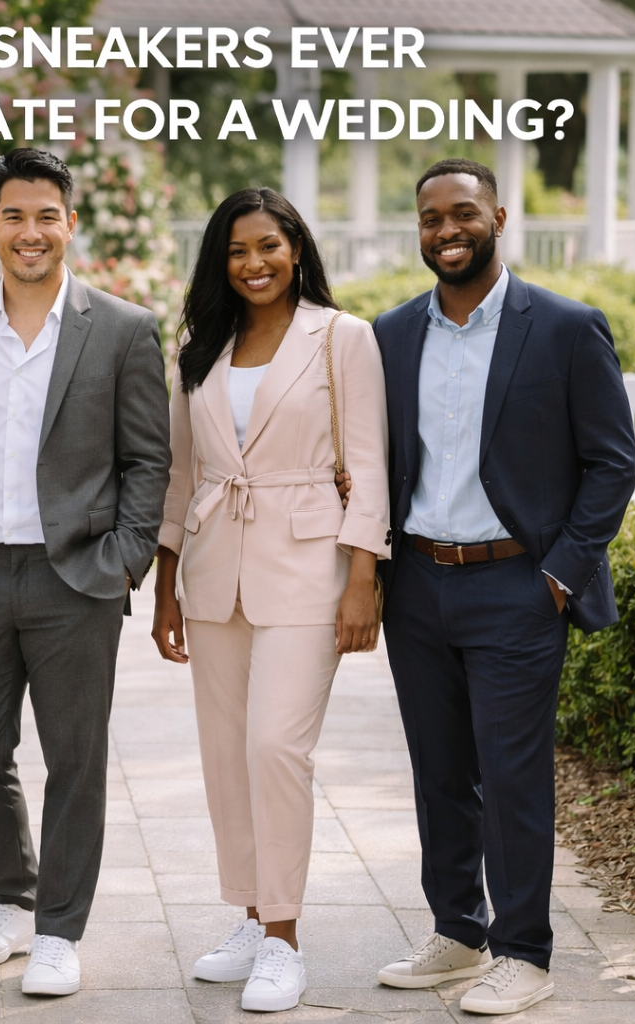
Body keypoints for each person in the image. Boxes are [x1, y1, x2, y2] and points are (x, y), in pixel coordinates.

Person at [341, 158, 635, 1015]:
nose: (447, 231)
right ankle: (458, 933)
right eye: (431, 219)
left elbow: (611, 465)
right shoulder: (390, 335)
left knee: (512, 776)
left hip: (518, 584)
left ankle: (525, 952)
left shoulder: (567, 327)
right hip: (421, 584)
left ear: (498, 216)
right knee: (439, 772)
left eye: (463, 213)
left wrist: (559, 575)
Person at [0, 148, 170, 997]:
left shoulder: (125, 328)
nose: (31, 232)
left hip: (77, 578)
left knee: (76, 757)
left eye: (47, 216)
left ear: (71, 223)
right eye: (14, 216)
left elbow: (148, 459)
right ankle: (11, 897)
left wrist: (125, 559)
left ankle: (59, 930)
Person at [151, 187, 391, 1013]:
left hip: (310, 568)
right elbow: (183, 474)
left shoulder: (342, 338)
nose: (254, 264)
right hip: (214, 568)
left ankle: (285, 941)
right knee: (225, 757)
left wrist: (364, 577)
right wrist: (164, 584)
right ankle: (251, 917)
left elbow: (370, 463)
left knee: (274, 750)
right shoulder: (197, 347)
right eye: (236, 251)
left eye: (268, 247)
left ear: (296, 249)